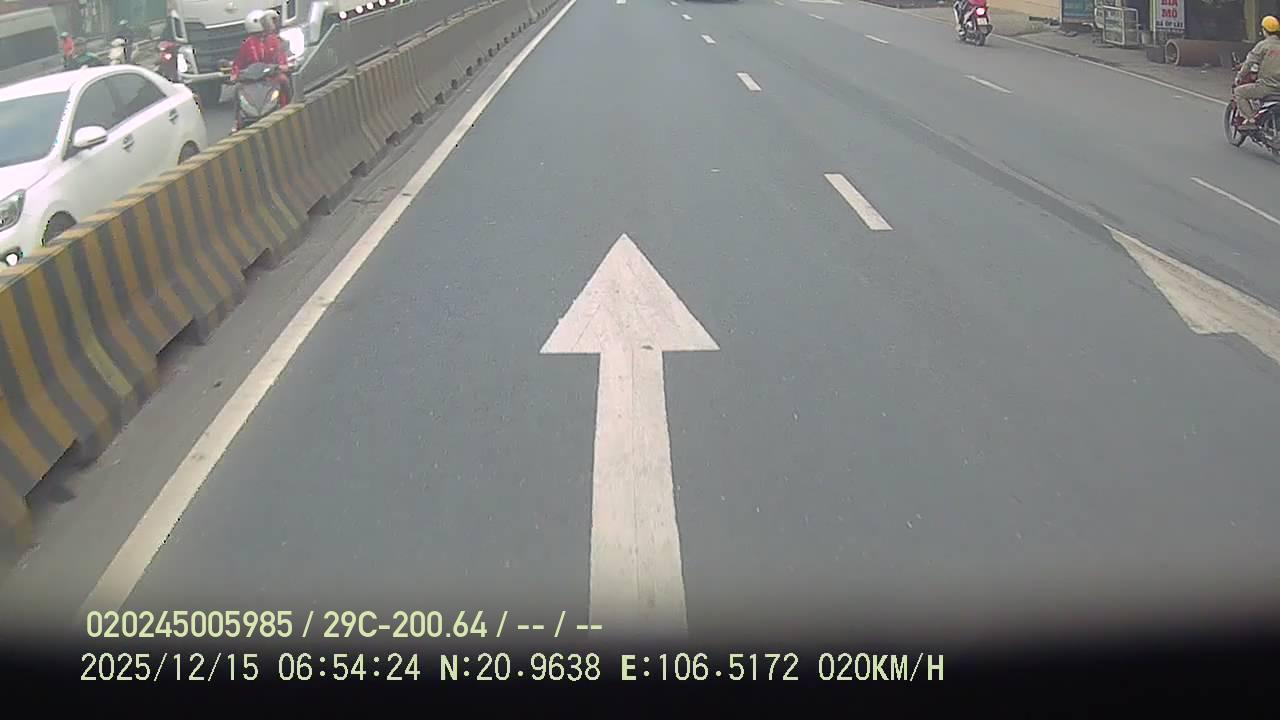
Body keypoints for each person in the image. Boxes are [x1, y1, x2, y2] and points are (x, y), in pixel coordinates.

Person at [231, 9, 292, 107]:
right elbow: (238, 63)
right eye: (257, 34)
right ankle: (238, 115)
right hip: (251, 79)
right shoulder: (246, 44)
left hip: (271, 76)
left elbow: (282, 59)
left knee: (284, 80)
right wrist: (235, 74)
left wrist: (282, 67)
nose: (261, 36)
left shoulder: (275, 40)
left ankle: (289, 105)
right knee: (237, 89)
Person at [1233, 16, 1280, 128]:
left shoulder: (1262, 46)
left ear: (1264, 30)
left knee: (1239, 92)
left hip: (1266, 88)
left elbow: (1249, 63)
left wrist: (1239, 77)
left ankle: (1251, 120)